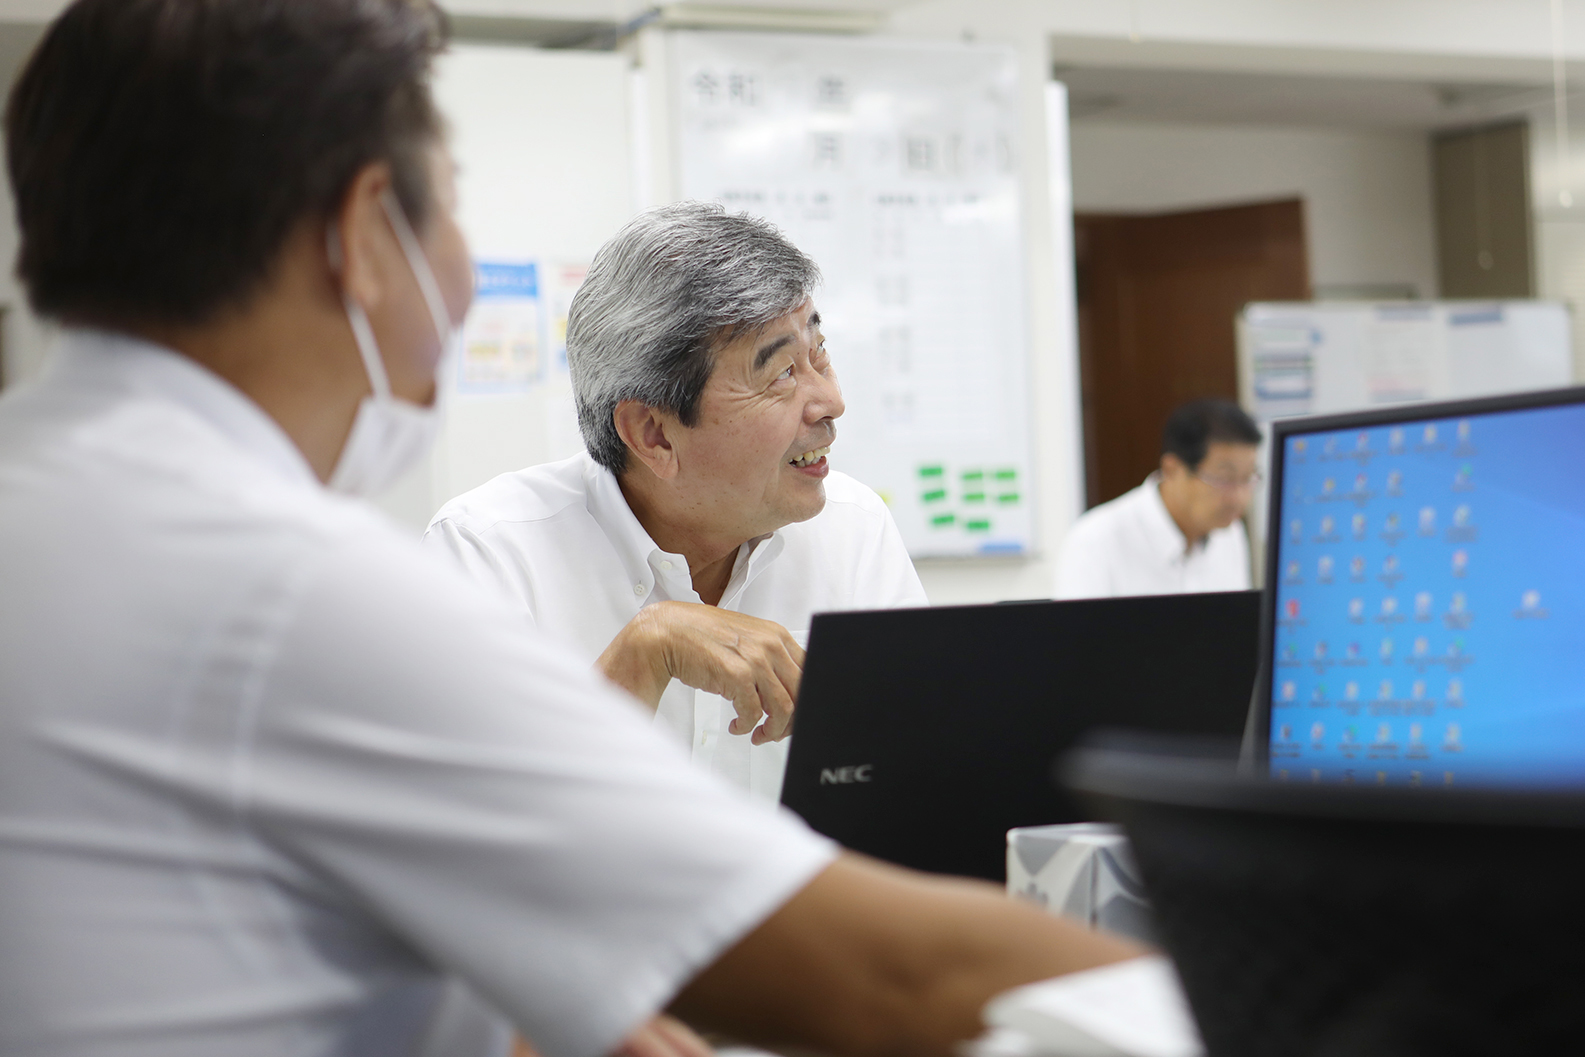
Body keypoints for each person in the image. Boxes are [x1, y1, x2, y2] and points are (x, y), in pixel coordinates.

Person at [0, 3, 1138, 1056]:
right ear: (359, 234)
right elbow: (879, 976)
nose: (458, 277)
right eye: (445, 206)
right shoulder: (288, 588)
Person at [425, 203, 927, 802]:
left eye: (818, 354)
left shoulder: (854, 529)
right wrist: (644, 653)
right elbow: (470, 836)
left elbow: (917, 781)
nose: (829, 402)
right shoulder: (490, 552)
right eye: (781, 374)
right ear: (654, 435)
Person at [1056, 398, 1261, 599]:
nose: (1239, 498)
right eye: (1225, 479)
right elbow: (1077, 633)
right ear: (1172, 469)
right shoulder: (1095, 541)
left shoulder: (1229, 533)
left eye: (1247, 478)